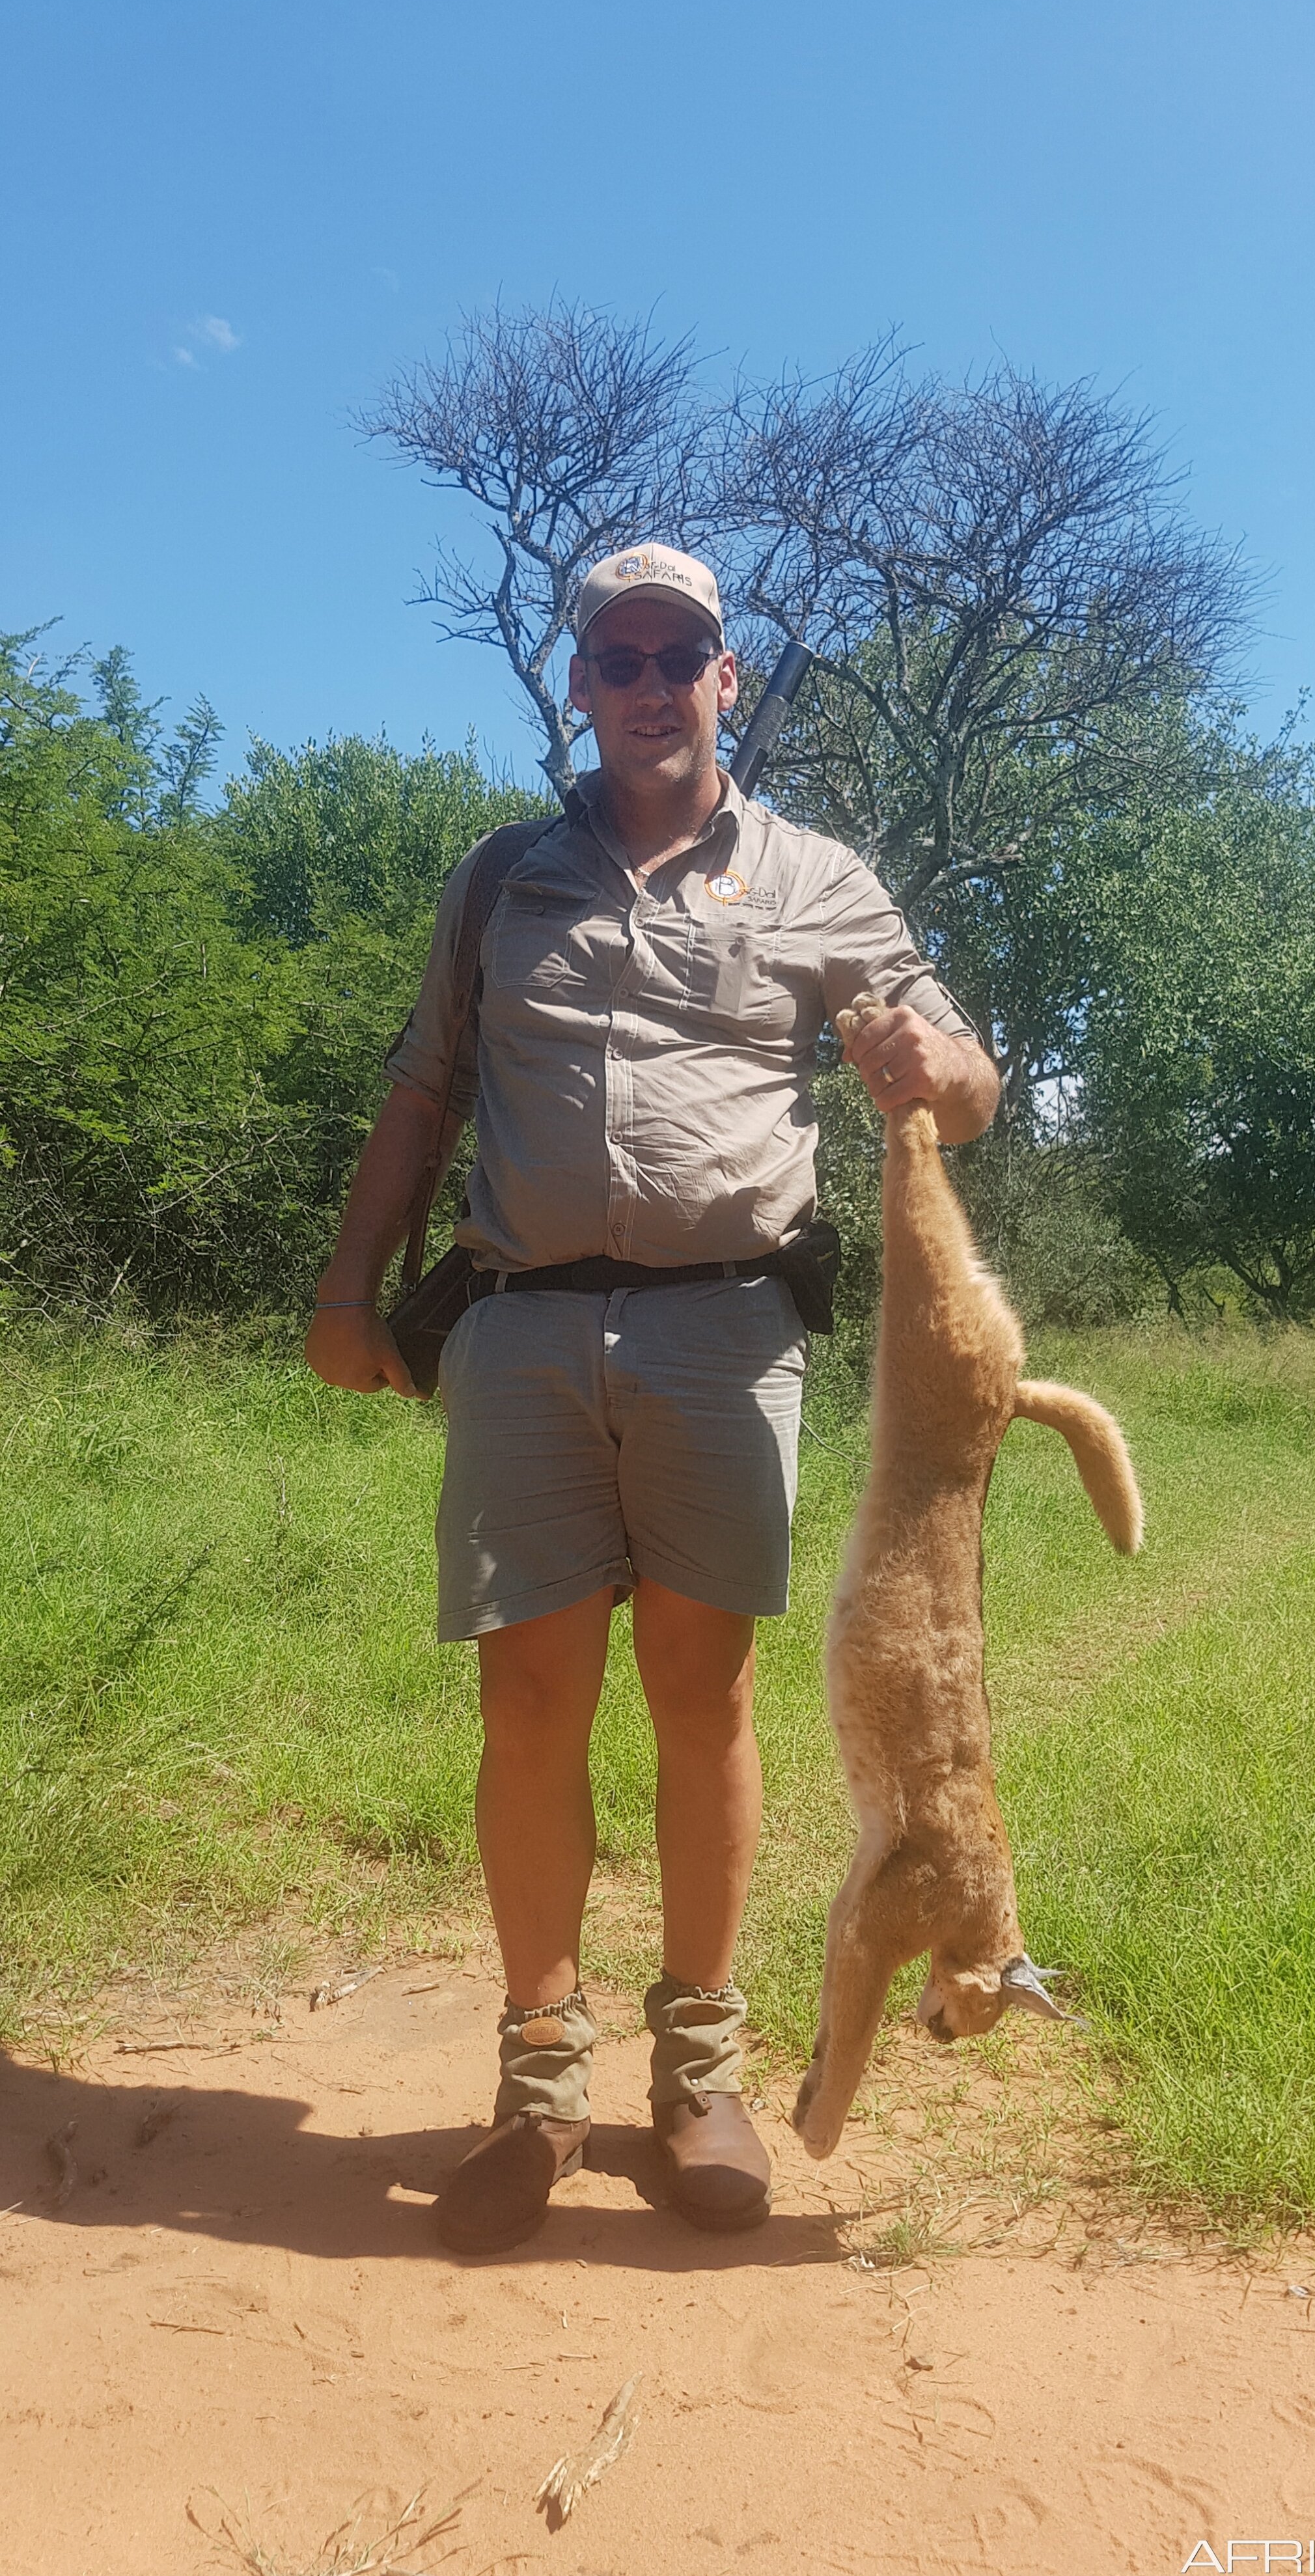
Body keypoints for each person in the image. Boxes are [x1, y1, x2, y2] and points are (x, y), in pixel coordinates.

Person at [305, 544, 999, 2254]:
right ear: (582, 685)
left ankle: (696, 2076)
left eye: (674, 651)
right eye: (613, 656)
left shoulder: (820, 883)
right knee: (528, 1701)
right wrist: (343, 1286)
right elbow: (422, 1092)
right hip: (523, 1329)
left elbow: (963, 1077)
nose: (644, 681)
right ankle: (536, 2090)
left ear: (726, 675)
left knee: (703, 1692)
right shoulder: (500, 882)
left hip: (723, 1330)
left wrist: (938, 1072)